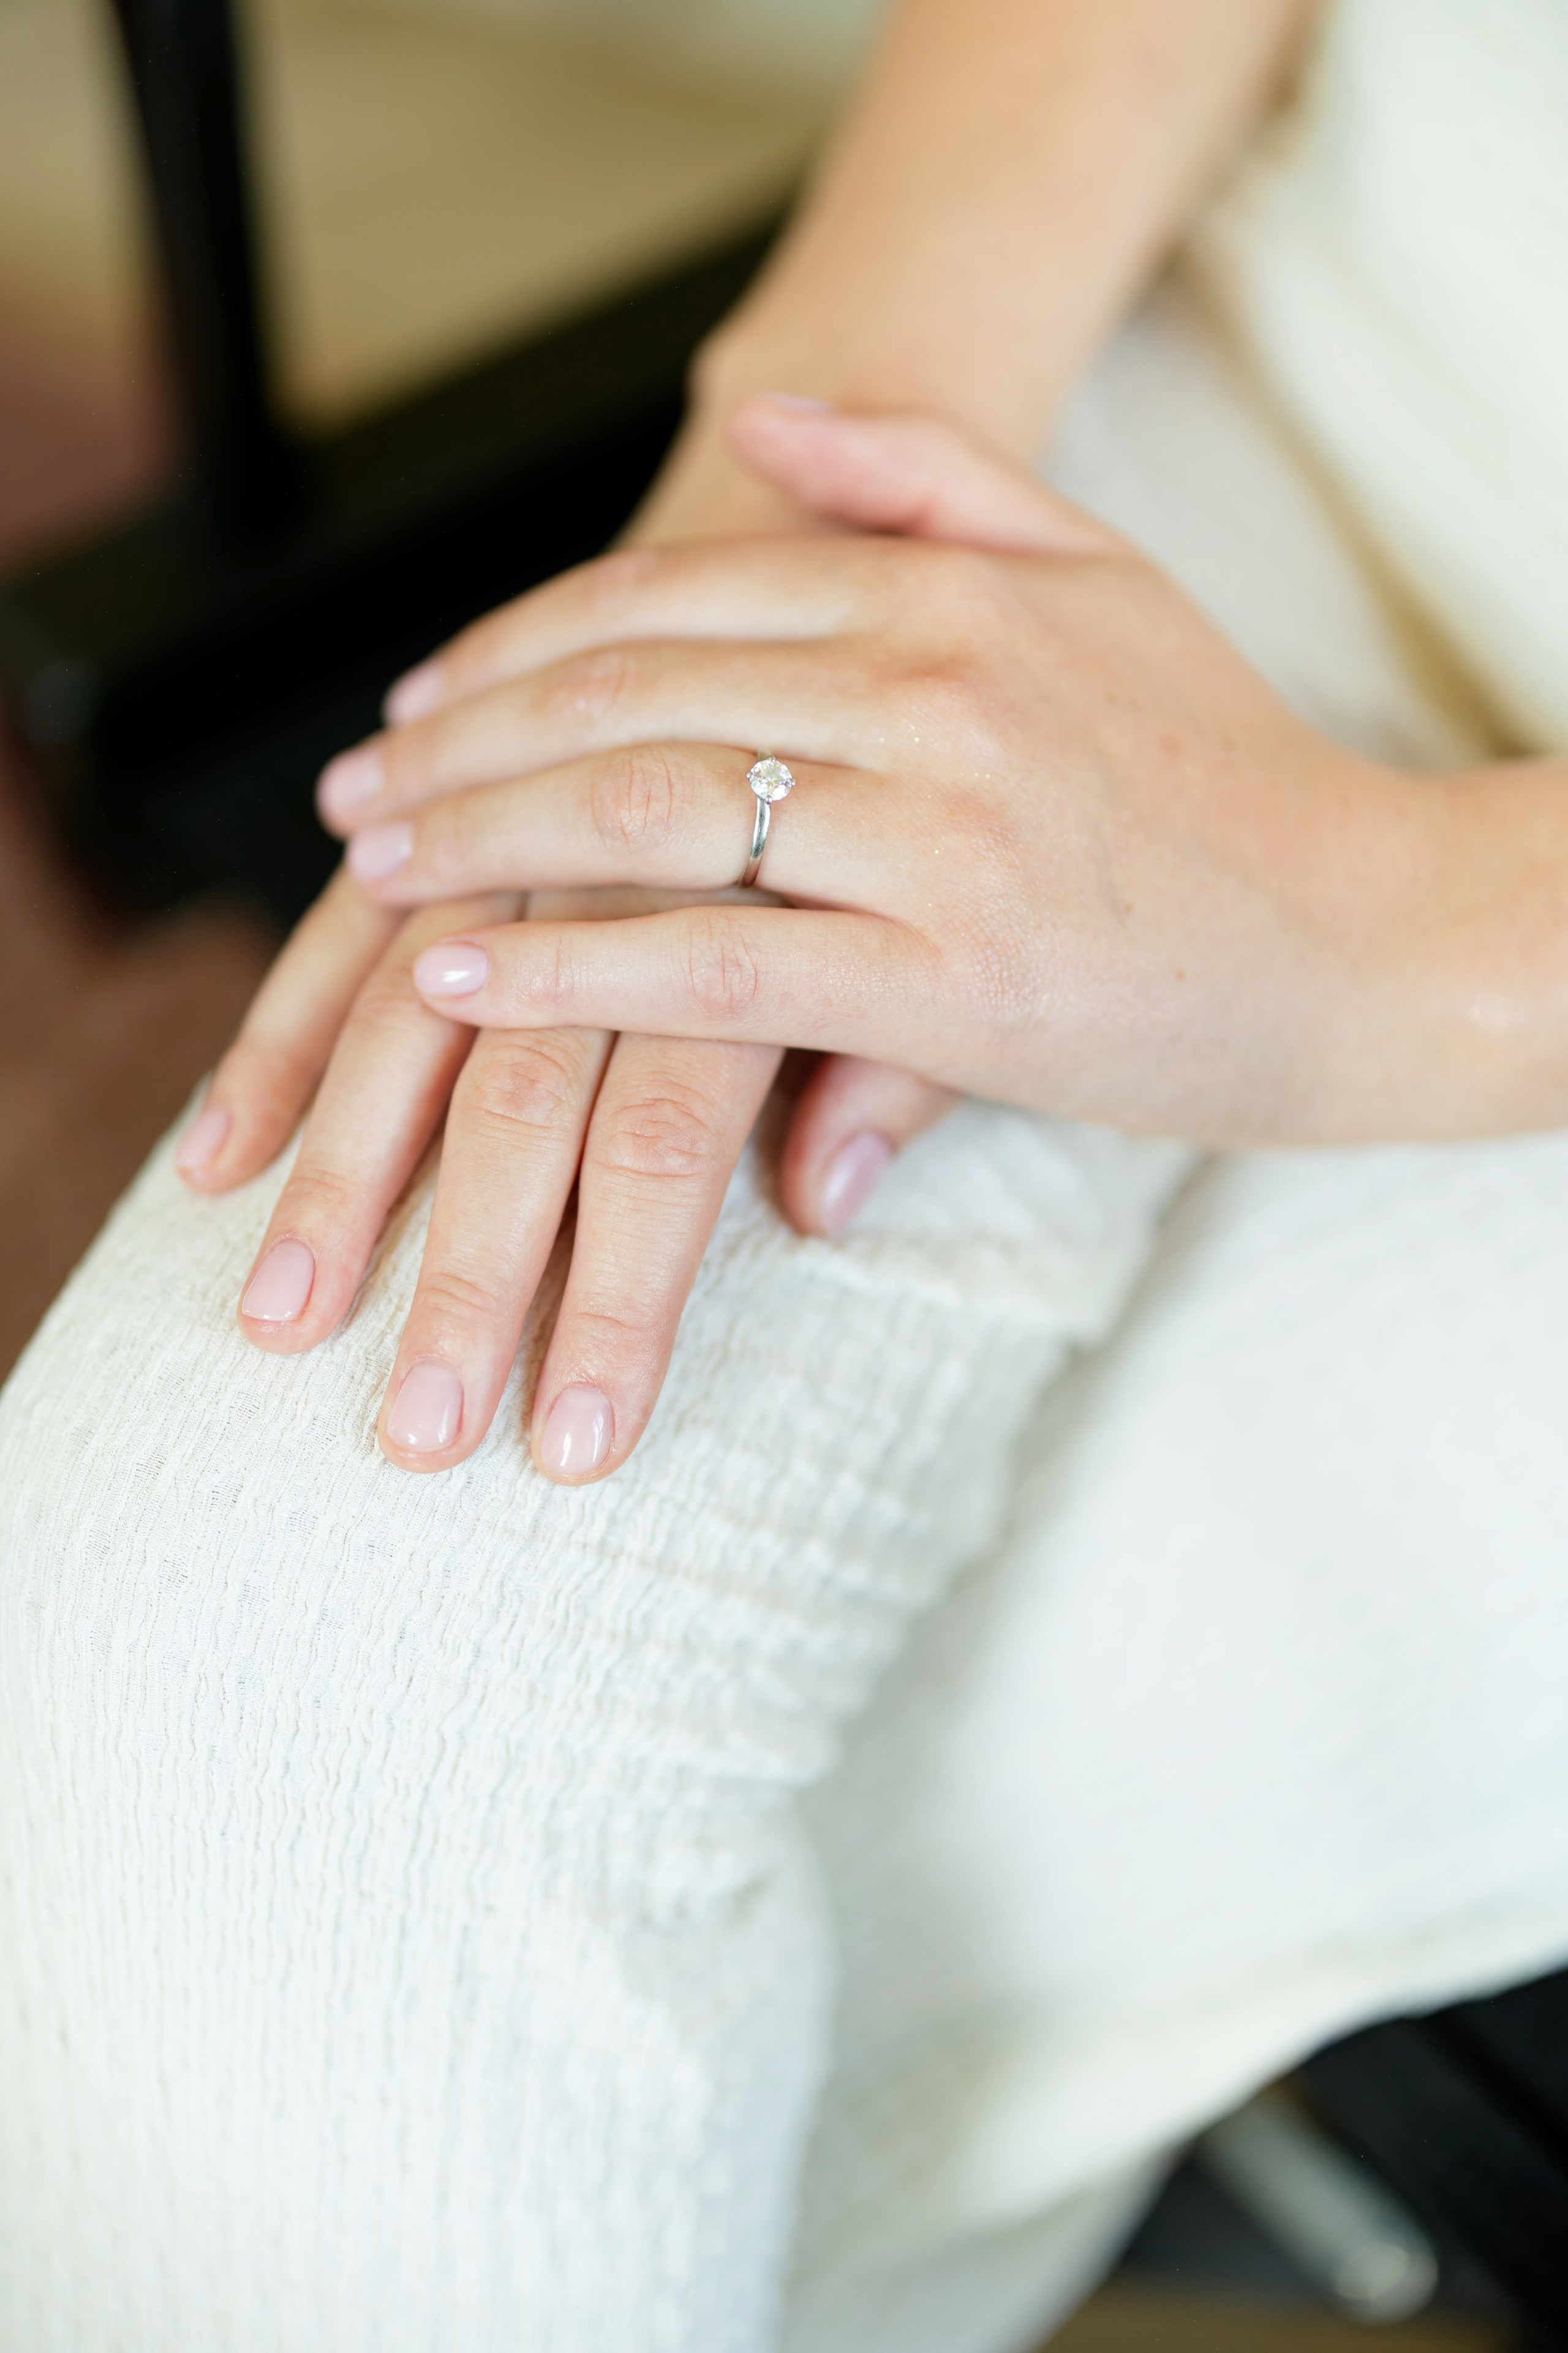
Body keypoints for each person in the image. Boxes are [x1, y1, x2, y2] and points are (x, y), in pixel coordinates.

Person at [4, 1, 1568, 2346]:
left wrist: (1397, 945)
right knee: (230, 1678)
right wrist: (818, 444)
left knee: (462, 2028)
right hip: (1252, 379)